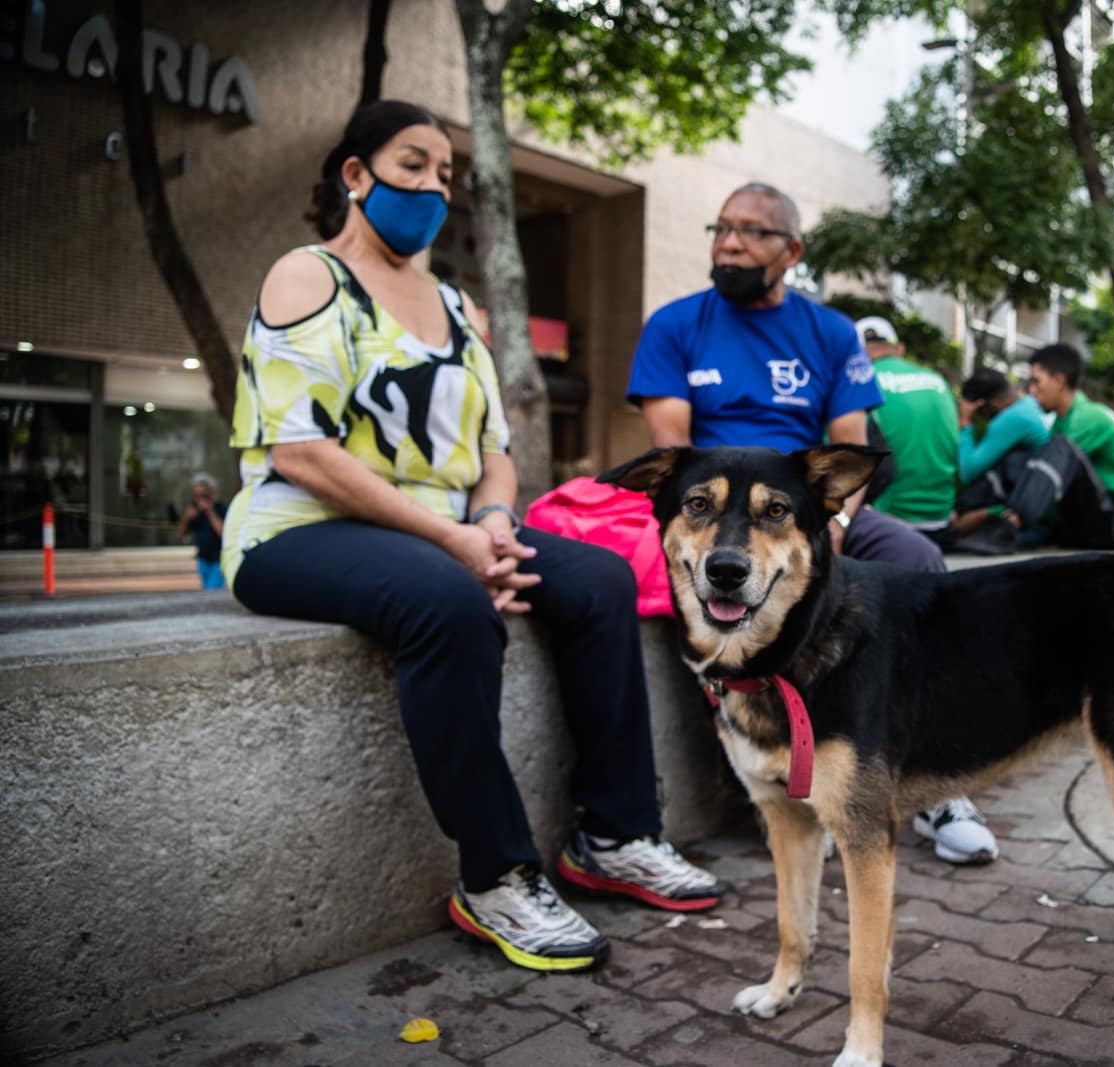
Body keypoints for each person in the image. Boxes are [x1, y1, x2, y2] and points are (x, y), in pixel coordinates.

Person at [221, 101, 724, 975]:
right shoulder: (306, 278)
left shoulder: (459, 308)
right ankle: (494, 876)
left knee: (598, 578)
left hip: (445, 527)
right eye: (410, 164)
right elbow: (302, 454)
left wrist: (491, 521)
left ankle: (615, 834)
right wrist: (452, 545)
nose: (431, 186)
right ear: (356, 175)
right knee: (448, 603)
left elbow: (492, 458)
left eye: (444, 174)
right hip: (298, 530)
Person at [627, 181, 996, 865]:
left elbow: (848, 442)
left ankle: (936, 780)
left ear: (791, 250)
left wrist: (835, 524)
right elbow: (672, 462)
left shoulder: (829, 331)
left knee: (915, 558)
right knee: (715, 578)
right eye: (722, 227)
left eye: (751, 231)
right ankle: (785, 776)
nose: (729, 242)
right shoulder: (675, 326)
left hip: (808, 509)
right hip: (715, 518)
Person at [961, 343, 1114, 555]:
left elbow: (1048, 487)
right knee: (1019, 459)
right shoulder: (1061, 423)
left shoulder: (1088, 418)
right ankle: (957, 517)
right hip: (1085, 517)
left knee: (1060, 447)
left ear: (1059, 380)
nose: (1030, 391)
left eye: (1036, 382)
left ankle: (1007, 526)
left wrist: (988, 513)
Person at [852, 316, 959, 547]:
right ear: (899, 349)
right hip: (940, 521)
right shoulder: (937, 381)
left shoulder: (860, 384)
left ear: (855, 353)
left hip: (889, 524)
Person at [949, 367, 1053, 541]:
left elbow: (968, 471)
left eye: (979, 412)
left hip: (1038, 514)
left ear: (995, 403)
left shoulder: (1013, 417)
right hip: (1041, 499)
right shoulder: (1027, 404)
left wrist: (965, 422)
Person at [177, 473, 228, 589]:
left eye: (203, 495)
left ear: (212, 492)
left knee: (212, 590)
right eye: (196, 496)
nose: (200, 499)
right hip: (203, 559)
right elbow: (181, 534)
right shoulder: (194, 511)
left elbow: (224, 533)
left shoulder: (221, 508)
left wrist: (210, 511)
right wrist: (187, 518)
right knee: (206, 590)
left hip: (219, 559)